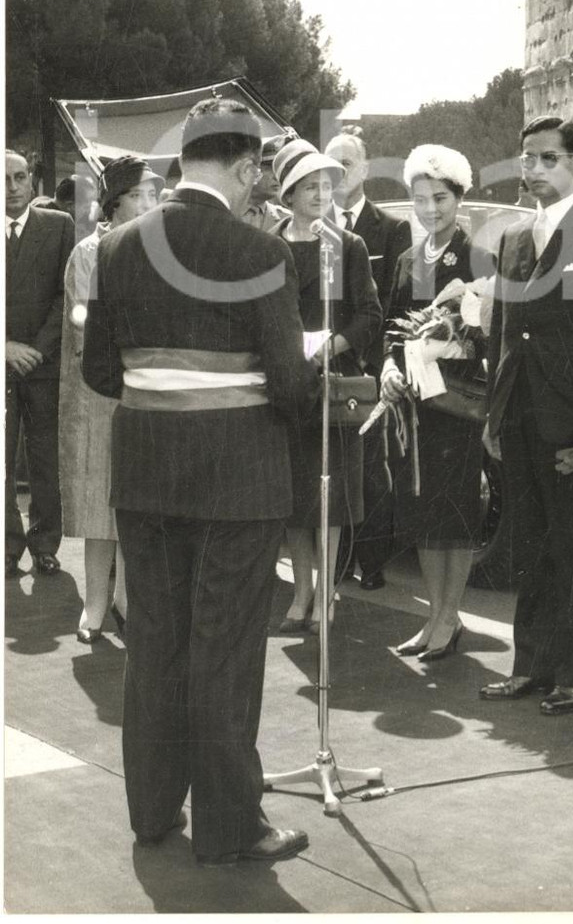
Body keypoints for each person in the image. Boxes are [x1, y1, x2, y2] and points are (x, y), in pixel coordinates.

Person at [81, 98, 319, 864]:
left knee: (154, 641)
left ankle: (152, 811)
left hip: (147, 473)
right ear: (248, 167)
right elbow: (288, 383)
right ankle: (230, 825)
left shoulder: (116, 246)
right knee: (224, 649)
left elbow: (98, 370)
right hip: (237, 480)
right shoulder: (258, 253)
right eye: (261, 175)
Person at [481, 117, 573, 716]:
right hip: (519, 414)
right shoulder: (514, 238)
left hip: (570, 422)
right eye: (527, 159)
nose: (533, 169)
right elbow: (502, 331)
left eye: (547, 159)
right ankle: (530, 667)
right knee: (530, 545)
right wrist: (494, 414)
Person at [270, 138, 381, 634]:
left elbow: (369, 315)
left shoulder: (346, 244)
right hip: (284, 383)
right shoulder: (269, 242)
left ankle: (328, 592)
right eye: (309, 186)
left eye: (325, 185)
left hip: (332, 383)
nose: (320, 194)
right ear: (289, 193)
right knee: (292, 496)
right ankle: (301, 592)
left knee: (329, 497)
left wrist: (329, 345)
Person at [380, 144, 485, 661]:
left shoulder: (476, 254)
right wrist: (391, 367)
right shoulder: (404, 259)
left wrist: (447, 340)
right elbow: (389, 328)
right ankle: (437, 615)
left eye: (440, 198)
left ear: (459, 197)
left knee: (454, 512)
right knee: (422, 509)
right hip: (413, 408)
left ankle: (449, 615)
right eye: (420, 199)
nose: (430, 209)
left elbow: (488, 330)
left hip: (456, 405)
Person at [59, 156, 161, 642]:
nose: (149, 203)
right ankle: (95, 601)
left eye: (153, 194)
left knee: (136, 498)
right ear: (115, 202)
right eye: (139, 194)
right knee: (101, 498)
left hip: (148, 389)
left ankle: (125, 599)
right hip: (101, 389)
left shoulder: (160, 250)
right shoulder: (89, 250)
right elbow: (84, 318)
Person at [324, 130, 411, 590]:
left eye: (348, 163)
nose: (339, 172)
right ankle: (335, 563)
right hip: (329, 364)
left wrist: (381, 365)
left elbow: (394, 304)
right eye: (331, 163)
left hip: (372, 369)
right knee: (333, 468)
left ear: (365, 168)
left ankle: (372, 562)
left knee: (372, 471)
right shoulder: (314, 225)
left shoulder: (391, 228)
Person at [6, 149, 75, 578]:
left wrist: (37, 349)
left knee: (48, 462)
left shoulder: (59, 226)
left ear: (32, 181)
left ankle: (46, 545)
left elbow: (66, 295)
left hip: (44, 366)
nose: (11, 188)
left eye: (19, 177)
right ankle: (7, 547)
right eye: (3, 179)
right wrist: (5, 347)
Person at [241, 133, 291, 231]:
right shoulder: (222, 211)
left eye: (280, 170)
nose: (278, 177)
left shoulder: (287, 221)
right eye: (271, 168)